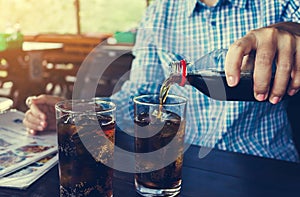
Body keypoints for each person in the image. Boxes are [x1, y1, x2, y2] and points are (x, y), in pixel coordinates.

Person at [23, 0, 300, 162]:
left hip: (266, 164)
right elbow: (139, 95)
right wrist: (79, 111)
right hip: (185, 166)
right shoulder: (160, 10)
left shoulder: (279, 3)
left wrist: (292, 34)